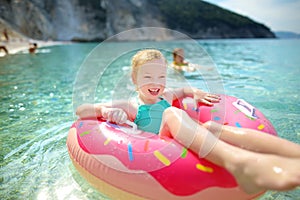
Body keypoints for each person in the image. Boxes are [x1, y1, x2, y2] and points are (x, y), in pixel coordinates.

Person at [76, 49, 300, 194]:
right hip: (163, 147)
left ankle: (291, 154)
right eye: (147, 77)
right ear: (134, 80)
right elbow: (83, 110)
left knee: (211, 126)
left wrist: (197, 93)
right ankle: (239, 163)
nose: (156, 83)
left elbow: (183, 90)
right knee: (172, 114)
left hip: (186, 136)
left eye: (161, 77)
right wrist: (107, 112)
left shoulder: (167, 95)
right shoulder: (130, 105)